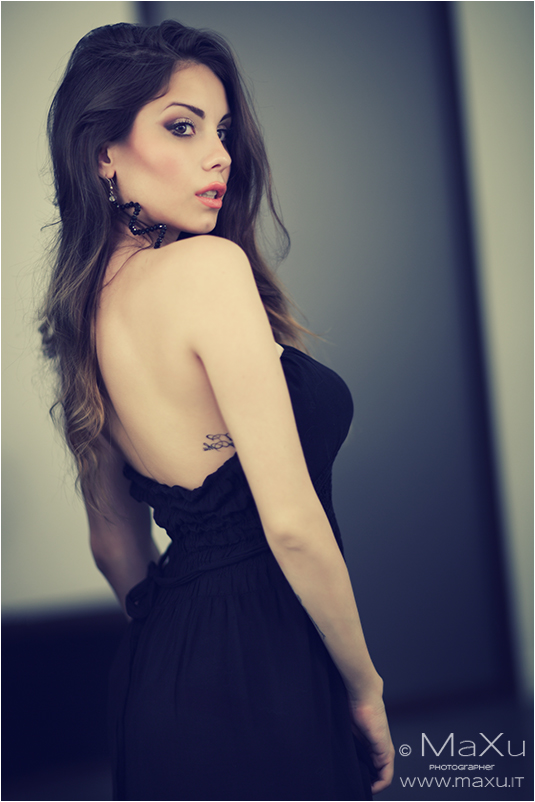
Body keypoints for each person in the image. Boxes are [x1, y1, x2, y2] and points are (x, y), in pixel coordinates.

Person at [40, 19, 394, 802]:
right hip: (262, 663)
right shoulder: (207, 268)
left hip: (159, 676)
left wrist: (181, 638)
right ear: (102, 153)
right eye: (182, 126)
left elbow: (112, 543)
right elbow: (291, 526)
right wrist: (365, 688)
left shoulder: (79, 320)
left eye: (223, 130)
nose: (219, 155)